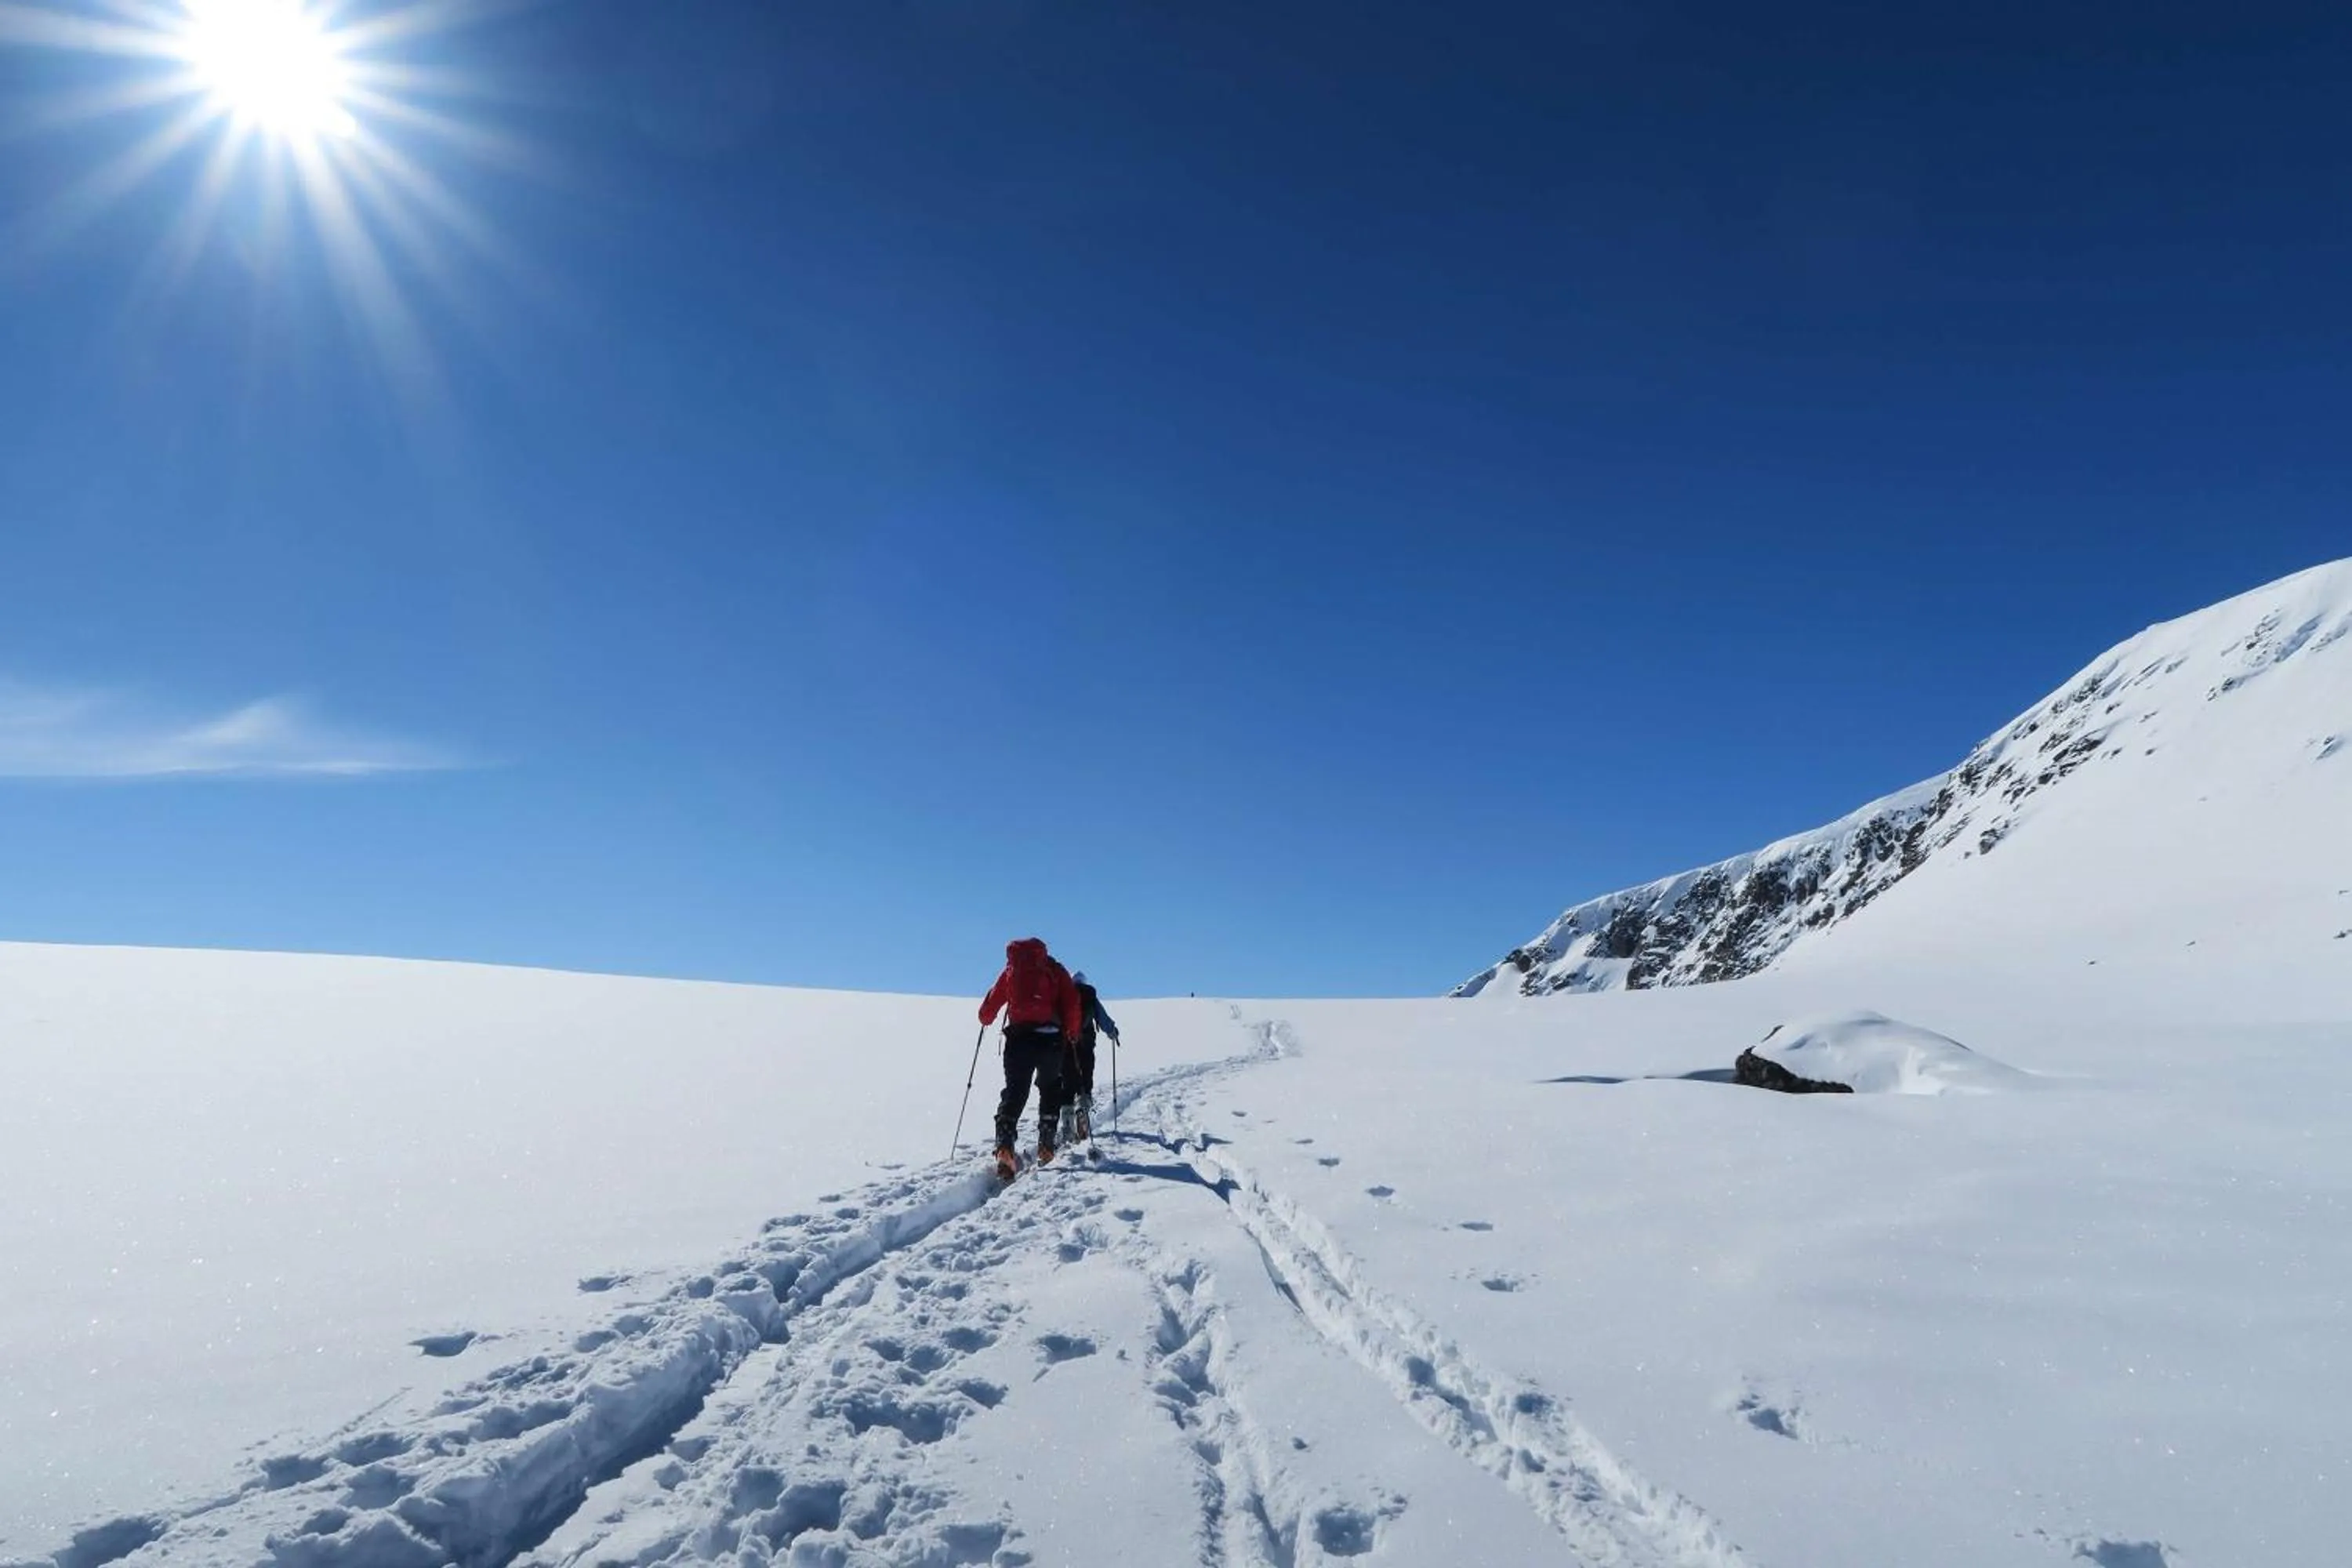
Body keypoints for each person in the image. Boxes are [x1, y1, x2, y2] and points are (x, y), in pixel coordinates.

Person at [978, 937, 1083, 1178]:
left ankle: (1004, 1145)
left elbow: (990, 1005)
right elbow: (1072, 1003)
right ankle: (1046, 1144)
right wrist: (1073, 1033)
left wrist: (985, 1018)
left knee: (1015, 1091)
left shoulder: (1011, 971)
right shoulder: (1055, 970)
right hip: (1050, 1041)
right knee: (1050, 1088)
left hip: (1018, 1040)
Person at [1069, 971, 1120, 1142]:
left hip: (1068, 1042)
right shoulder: (1090, 996)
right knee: (1086, 1073)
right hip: (1087, 1040)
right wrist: (1112, 1031)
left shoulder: (1066, 995)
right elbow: (1102, 1017)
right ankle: (1083, 1107)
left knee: (1068, 1077)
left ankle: (1067, 1120)